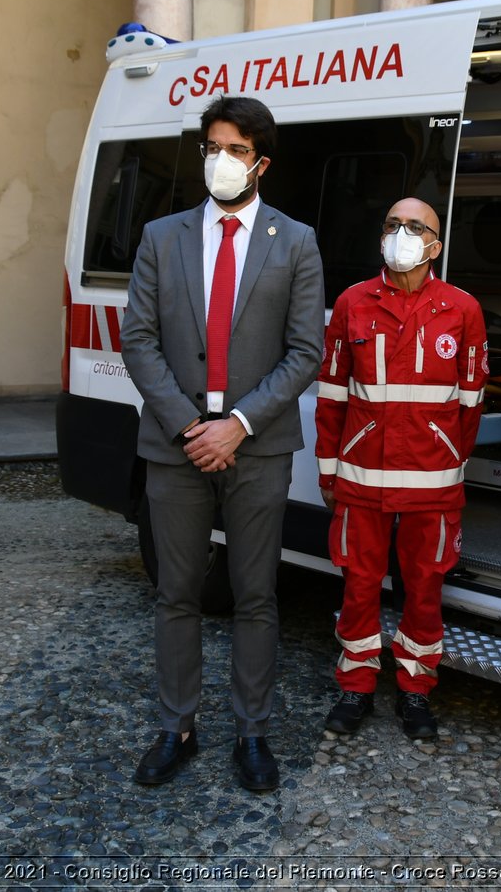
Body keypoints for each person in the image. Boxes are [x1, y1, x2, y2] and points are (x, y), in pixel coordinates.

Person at [121, 95, 324, 792]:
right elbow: (138, 340)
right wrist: (189, 426)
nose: (220, 159)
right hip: (175, 442)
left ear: (261, 162)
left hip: (257, 446)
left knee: (254, 594)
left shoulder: (294, 241)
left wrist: (235, 424)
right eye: (212, 145)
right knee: (176, 592)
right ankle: (176, 725)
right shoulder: (162, 236)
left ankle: (253, 731)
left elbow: (305, 351)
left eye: (235, 149)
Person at [313, 197, 487, 740]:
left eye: (415, 227)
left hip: (432, 487)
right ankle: (356, 686)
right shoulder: (352, 303)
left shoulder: (462, 309)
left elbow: (471, 404)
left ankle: (416, 691)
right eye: (392, 225)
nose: (402, 234)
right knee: (358, 587)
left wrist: (448, 461)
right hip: (360, 480)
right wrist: (328, 473)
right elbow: (332, 396)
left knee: (424, 591)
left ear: (437, 244)